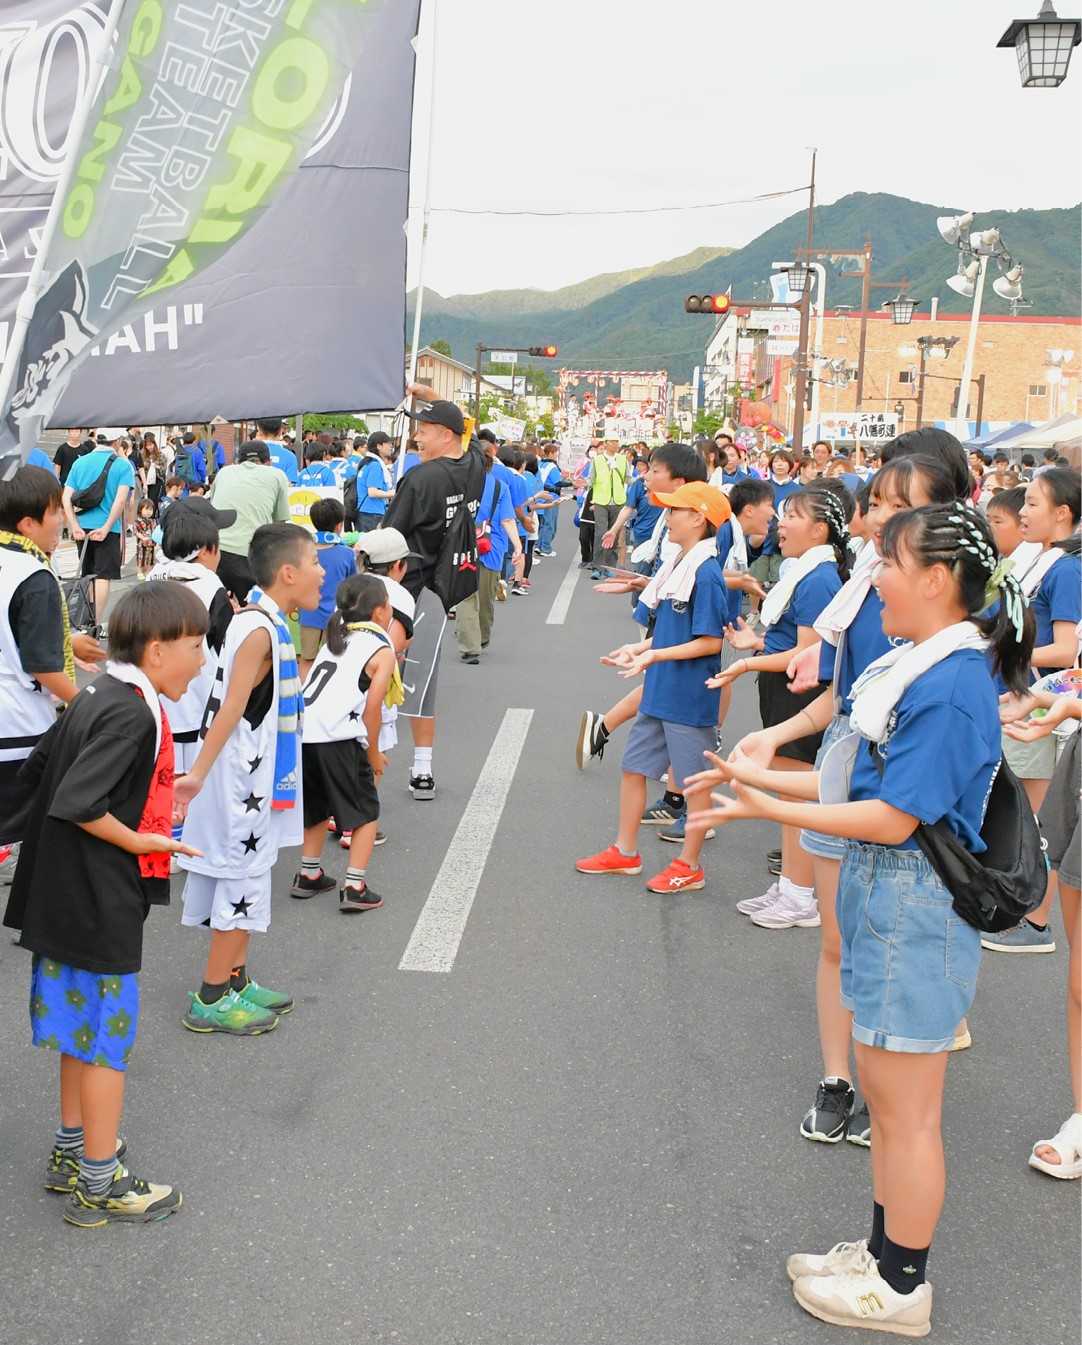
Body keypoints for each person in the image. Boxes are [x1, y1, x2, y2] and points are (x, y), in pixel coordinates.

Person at [688, 502, 1034, 1338]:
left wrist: (757, 803)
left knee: (908, 1112)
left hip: (914, 904)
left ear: (937, 579)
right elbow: (854, 786)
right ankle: (881, 1255)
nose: (874, 573)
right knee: (885, 1093)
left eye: (889, 560)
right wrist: (762, 785)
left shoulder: (950, 682)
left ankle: (902, 1285)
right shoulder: (930, 661)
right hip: (892, 899)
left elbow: (891, 815)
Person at [3, 582, 208, 1226]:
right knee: (106, 1042)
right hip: (96, 896)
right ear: (155, 651)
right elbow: (79, 802)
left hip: (60, 893)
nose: (202, 660)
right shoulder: (133, 712)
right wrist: (144, 838)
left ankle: (72, 1152)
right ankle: (101, 1181)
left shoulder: (97, 688)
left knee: (77, 1028)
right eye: (196, 646)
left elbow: (39, 771)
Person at [175, 523, 324, 1035]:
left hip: (248, 776)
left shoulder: (264, 620)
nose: (323, 572)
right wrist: (194, 776)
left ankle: (236, 980)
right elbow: (233, 707)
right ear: (288, 573)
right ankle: (212, 996)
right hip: (240, 780)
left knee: (250, 872)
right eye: (315, 563)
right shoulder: (260, 628)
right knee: (240, 877)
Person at [575, 481, 730, 895]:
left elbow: (711, 641)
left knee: (694, 783)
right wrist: (640, 647)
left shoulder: (707, 572)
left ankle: (689, 866)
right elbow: (670, 631)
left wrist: (653, 656)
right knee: (634, 768)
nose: (668, 516)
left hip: (688, 696)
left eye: (676, 510)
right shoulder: (681, 563)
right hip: (661, 690)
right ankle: (625, 852)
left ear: (698, 518)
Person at [707, 481, 849, 929]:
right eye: (781, 514)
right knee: (788, 791)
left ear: (821, 530)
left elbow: (810, 653)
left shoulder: (819, 577)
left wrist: (751, 664)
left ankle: (801, 894)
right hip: (782, 687)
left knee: (795, 794)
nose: (780, 523)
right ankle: (790, 885)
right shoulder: (804, 570)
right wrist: (758, 643)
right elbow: (792, 639)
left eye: (791, 517)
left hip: (799, 693)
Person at [984, 467, 1081, 952]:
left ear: (1062, 514)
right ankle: (1025, 914)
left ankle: (1034, 920)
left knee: (1034, 821)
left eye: (1034, 504)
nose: (1023, 511)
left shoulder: (1066, 568)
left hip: (1037, 702)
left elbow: (1066, 650)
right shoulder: (1040, 561)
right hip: (1020, 695)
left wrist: (1006, 653)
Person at [382, 396, 486, 801]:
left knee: (376, 672)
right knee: (424, 677)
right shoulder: (477, 463)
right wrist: (424, 390)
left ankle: (365, 767)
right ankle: (422, 768)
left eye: (423, 432)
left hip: (405, 584)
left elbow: (388, 540)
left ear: (446, 436)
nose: (416, 439)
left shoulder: (421, 479)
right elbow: (470, 427)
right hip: (444, 586)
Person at [0, 466, 98, 851]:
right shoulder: (32, 575)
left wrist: (66, 641)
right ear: (27, 523)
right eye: (56, 510)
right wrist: (85, 705)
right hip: (21, 727)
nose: (61, 519)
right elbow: (41, 665)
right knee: (20, 836)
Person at [291, 573, 397, 910]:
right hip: (339, 737)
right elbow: (372, 710)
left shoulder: (335, 640)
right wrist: (375, 753)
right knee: (366, 811)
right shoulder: (380, 648)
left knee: (317, 807)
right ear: (381, 611)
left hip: (305, 734)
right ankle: (354, 886)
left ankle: (309, 874)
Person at [146, 498, 237, 775]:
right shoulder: (210, 586)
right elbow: (228, 650)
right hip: (199, 709)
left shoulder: (152, 577)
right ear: (206, 551)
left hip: (156, 709)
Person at [61, 427, 135, 621]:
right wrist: (106, 527)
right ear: (117, 441)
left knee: (87, 575)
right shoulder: (122, 466)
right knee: (103, 576)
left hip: (82, 529)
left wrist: (74, 525)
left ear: (95, 441)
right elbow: (120, 502)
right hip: (107, 529)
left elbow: (66, 497)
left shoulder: (79, 462)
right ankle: (95, 623)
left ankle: (83, 619)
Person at [207, 440, 291, 603]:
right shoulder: (277, 475)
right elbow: (280, 523)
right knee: (252, 610)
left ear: (238, 462)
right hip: (251, 554)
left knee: (218, 611)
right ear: (269, 462)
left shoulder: (224, 473)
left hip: (217, 552)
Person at [455, 451, 517, 663]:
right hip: (491, 547)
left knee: (465, 597)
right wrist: (518, 547)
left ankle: (469, 644)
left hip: (462, 546)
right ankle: (480, 638)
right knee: (485, 597)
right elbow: (508, 520)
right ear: (490, 464)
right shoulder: (499, 486)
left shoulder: (457, 484)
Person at [298, 497, 356, 678]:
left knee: (307, 658)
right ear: (339, 526)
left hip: (308, 614)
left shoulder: (302, 552)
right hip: (337, 617)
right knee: (334, 658)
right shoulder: (346, 553)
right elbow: (352, 584)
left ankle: (304, 697)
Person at [584, 438, 629, 579]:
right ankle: (597, 567)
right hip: (600, 501)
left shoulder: (623, 460)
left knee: (614, 534)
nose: (615, 444)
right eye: (612, 442)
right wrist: (582, 483)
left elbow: (628, 478)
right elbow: (590, 479)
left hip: (618, 500)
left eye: (616, 442)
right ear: (605, 444)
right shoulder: (596, 460)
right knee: (600, 533)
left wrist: (643, 480)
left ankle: (610, 567)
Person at [354, 432, 396, 531]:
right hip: (372, 513)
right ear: (379, 446)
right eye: (388, 443)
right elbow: (372, 492)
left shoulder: (366, 463)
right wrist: (391, 494)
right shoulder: (375, 465)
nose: (391, 446)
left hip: (364, 512)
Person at [254, 417, 298, 484]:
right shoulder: (290, 457)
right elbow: (290, 485)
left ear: (259, 432)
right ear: (280, 432)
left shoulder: (250, 454)